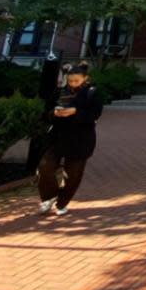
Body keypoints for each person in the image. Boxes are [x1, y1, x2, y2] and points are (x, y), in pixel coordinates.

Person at [36, 61, 103, 216]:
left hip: (81, 139)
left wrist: (75, 112)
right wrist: (55, 113)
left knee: (73, 174)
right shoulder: (59, 91)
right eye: (70, 80)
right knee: (44, 166)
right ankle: (48, 196)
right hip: (58, 136)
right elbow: (46, 111)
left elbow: (95, 114)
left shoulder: (92, 93)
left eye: (76, 81)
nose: (72, 84)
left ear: (85, 79)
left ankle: (62, 203)